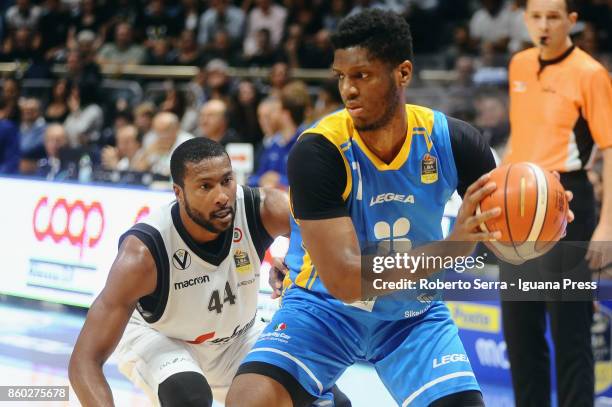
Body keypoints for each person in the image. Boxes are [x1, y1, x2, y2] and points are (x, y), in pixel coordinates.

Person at [226, 9, 503, 407]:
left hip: (413, 315)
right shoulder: (318, 150)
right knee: (248, 401)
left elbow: (504, 236)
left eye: (362, 75)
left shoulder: (455, 141)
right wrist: (451, 248)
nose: (348, 89)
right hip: (323, 308)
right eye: (341, 77)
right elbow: (345, 280)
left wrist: (543, 224)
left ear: (403, 73)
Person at [69, 137, 349, 406]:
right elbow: (85, 360)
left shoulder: (263, 208)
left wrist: (294, 259)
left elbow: (327, 235)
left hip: (239, 337)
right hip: (163, 338)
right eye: (205, 186)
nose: (222, 197)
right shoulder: (143, 255)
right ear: (178, 192)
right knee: (189, 397)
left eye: (226, 181)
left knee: (330, 400)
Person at [500, 0, 612, 406]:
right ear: (525, 19)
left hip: (569, 202)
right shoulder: (518, 65)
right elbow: (520, 137)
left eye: (553, 16)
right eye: (536, 16)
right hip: (518, 203)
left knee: (570, 331)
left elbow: (609, 148)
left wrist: (607, 226)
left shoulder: (591, 73)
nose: (543, 25)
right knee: (519, 329)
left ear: (572, 21)